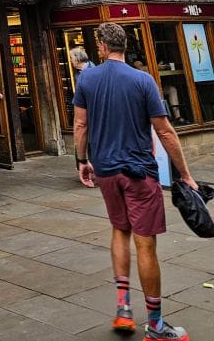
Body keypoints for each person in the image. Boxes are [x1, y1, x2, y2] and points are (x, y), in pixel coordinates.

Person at [74, 22, 197, 341]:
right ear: (123, 47)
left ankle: (124, 310)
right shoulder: (143, 80)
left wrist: (82, 161)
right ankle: (155, 324)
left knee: (119, 230)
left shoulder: (87, 77)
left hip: (106, 171)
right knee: (145, 243)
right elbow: (165, 131)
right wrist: (185, 174)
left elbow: (80, 125)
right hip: (139, 172)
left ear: (101, 46)